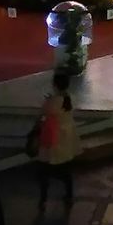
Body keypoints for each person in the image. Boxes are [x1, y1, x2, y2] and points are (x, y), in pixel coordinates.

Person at [36, 72, 79, 211]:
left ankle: (43, 200)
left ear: (55, 85)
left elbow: (43, 113)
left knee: (44, 172)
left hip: (52, 141)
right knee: (66, 172)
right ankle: (69, 195)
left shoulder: (52, 102)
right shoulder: (70, 98)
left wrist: (48, 100)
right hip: (66, 141)